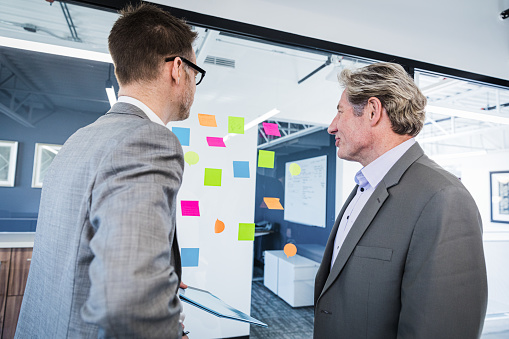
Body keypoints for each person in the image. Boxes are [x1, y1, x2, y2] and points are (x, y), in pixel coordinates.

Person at [16, 4, 204, 338]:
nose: (193, 83)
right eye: (195, 72)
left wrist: (157, 276)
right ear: (177, 68)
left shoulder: (78, 140)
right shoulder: (150, 139)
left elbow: (86, 250)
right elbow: (131, 300)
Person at [314, 62, 487, 338]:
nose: (332, 127)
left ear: (372, 111)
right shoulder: (366, 185)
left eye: (340, 112)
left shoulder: (444, 198)